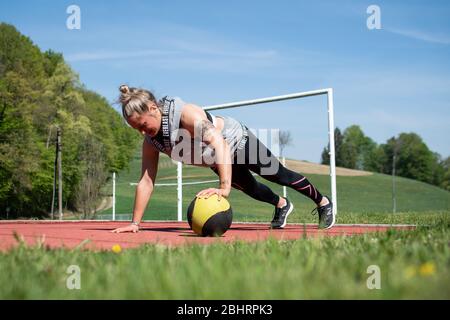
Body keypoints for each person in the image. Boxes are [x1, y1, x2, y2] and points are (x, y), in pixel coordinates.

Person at [112, 85, 335, 233]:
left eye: (142, 125)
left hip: (236, 140)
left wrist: (224, 188)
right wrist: (135, 223)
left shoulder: (186, 115)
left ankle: (323, 203)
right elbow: (146, 181)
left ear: (153, 108)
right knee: (252, 189)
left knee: (278, 175)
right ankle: (282, 205)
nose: (142, 132)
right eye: (136, 129)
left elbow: (221, 143)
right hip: (215, 159)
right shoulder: (151, 141)